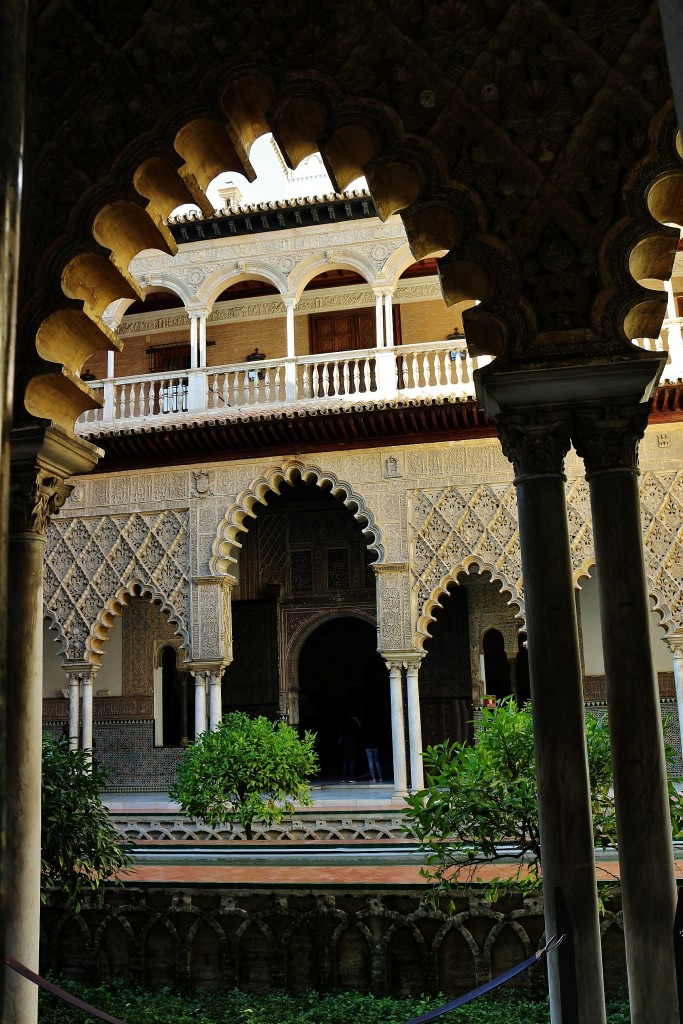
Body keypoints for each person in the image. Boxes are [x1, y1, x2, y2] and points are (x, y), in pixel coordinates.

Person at [338, 714, 360, 783]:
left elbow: (339, 742)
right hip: (352, 750)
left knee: (344, 764)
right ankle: (351, 778)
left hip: (344, 750)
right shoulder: (354, 732)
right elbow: (360, 726)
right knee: (351, 764)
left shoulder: (343, 733)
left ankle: (342, 778)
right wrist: (356, 719)